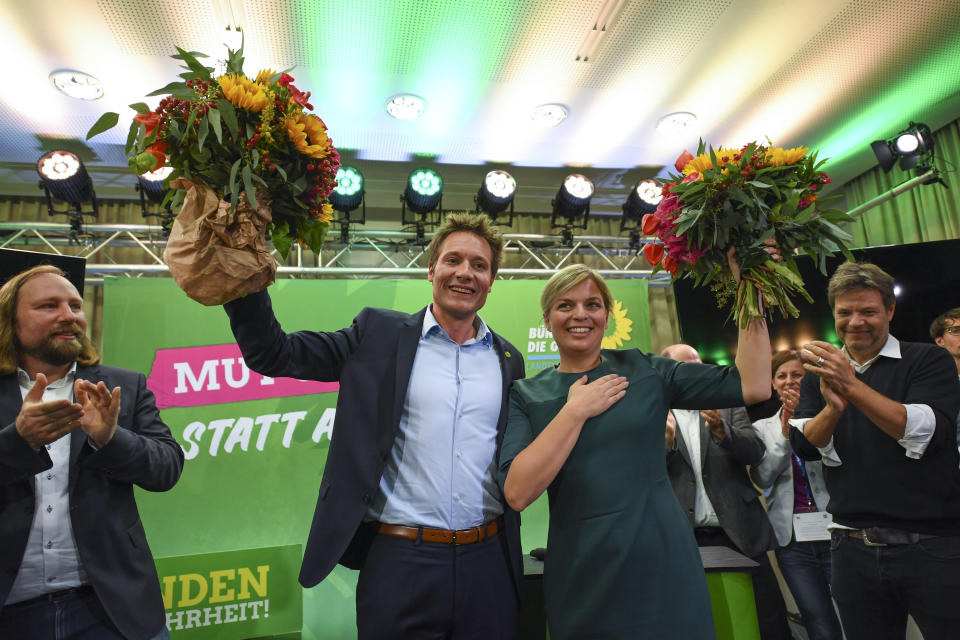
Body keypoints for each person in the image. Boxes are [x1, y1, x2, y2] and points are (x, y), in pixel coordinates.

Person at [223, 212, 525, 639]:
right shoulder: (378, 334)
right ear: (431, 269)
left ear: (492, 280)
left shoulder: (509, 360)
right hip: (400, 563)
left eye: (479, 265)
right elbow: (275, 354)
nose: (465, 273)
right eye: (453, 260)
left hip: (490, 563)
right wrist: (241, 272)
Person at [498, 257, 773, 640]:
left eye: (593, 304)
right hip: (582, 570)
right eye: (565, 305)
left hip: (662, 562)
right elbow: (516, 492)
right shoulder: (526, 394)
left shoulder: (646, 371)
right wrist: (574, 411)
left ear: (607, 316)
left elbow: (754, 384)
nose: (581, 314)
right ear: (547, 320)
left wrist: (751, 290)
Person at [0, 265, 183, 640]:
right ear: (10, 321)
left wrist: (110, 438)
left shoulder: (121, 386)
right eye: (48, 306)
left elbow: (166, 468)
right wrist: (18, 441)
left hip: (113, 610)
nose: (69, 315)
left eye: (75, 305)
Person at [793, 261, 960, 640]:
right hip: (852, 548)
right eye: (845, 312)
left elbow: (924, 432)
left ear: (890, 311)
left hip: (932, 546)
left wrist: (849, 386)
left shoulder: (926, 360)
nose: (856, 322)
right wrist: (833, 409)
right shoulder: (818, 374)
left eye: (868, 311)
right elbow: (806, 445)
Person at [662, 343, 794, 640]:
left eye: (699, 362)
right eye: (687, 365)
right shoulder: (654, 412)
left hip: (738, 530)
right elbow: (642, 471)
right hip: (684, 537)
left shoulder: (727, 402)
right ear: (667, 372)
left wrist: (725, 432)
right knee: (700, 619)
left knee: (767, 617)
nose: (697, 370)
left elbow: (755, 450)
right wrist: (666, 445)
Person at [750, 350, 842, 640]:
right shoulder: (761, 429)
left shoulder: (831, 415)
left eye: (797, 375)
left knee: (851, 612)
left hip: (834, 530)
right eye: (782, 376)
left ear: (810, 378)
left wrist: (805, 425)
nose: (789, 381)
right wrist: (784, 431)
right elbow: (763, 477)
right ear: (773, 384)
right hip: (792, 541)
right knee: (816, 618)